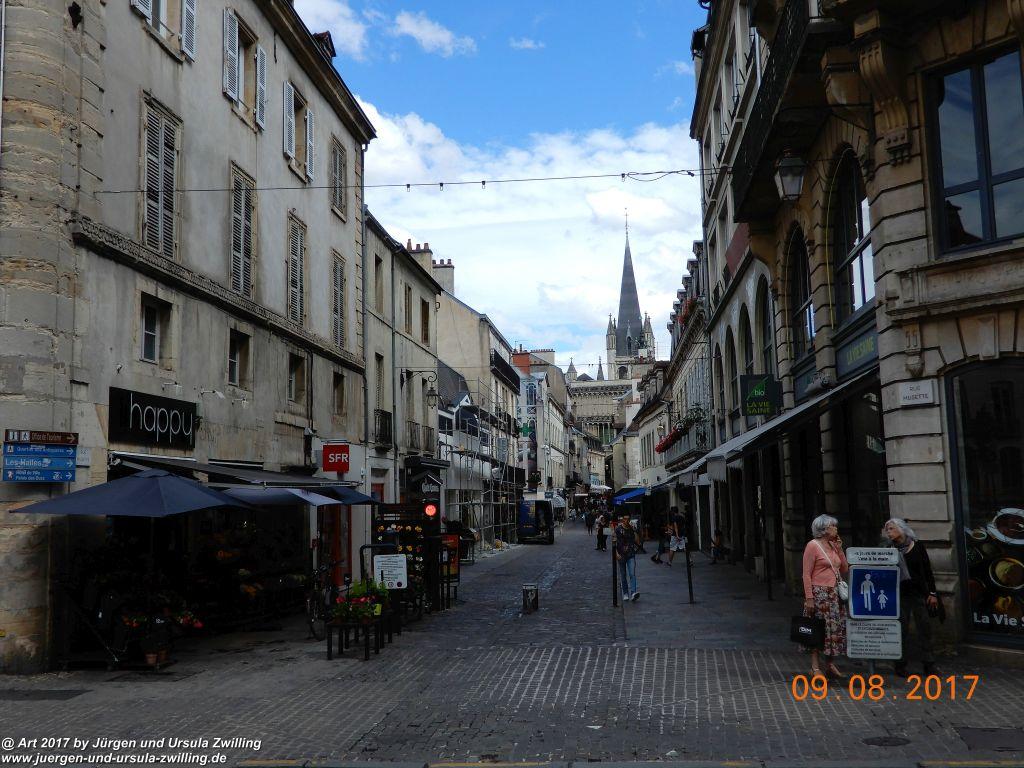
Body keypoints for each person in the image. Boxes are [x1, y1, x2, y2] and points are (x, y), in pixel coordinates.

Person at [884, 517, 939, 677]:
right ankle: (900, 665)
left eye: (891, 529)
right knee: (901, 629)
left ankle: (929, 664)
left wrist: (932, 593)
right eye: (887, 530)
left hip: (919, 593)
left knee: (924, 628)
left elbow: (927, 570)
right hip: (900, 594)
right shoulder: (888, 549)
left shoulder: (917, 546)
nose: (889, 532)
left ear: (901, 529)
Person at [801, 514, 849, 679]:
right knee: (817, 630)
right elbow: (806, 574)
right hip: (819, 594)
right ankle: (815, 667)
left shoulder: (833, 545)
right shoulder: (812, 546)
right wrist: (809, 598)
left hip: (834, 594)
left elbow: (844, 569)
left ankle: (829, 664)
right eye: (832, 526)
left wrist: (840, 549)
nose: (836, 528)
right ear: (823, 529)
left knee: (833, 631)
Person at [615, 515, 639, 601]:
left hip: (630, 554)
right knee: (623, 575)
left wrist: (634, 530)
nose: (627, 521)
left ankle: (633, 593)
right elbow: (614, 541)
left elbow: (637, 541)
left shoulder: (631, 529)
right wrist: (616, 553)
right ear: (622, 520)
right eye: (625, 519)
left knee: (632, 574)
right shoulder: (618, 529)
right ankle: (625, 593)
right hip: (621, 554)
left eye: (628, 519)